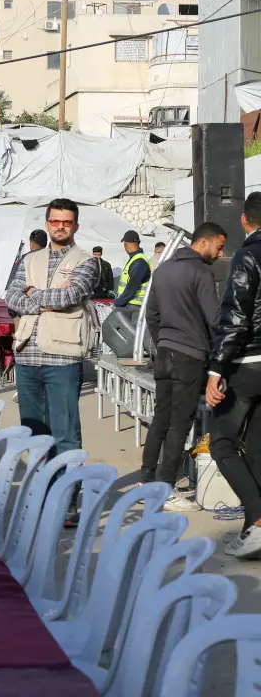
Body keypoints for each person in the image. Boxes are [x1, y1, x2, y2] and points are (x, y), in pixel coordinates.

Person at [6, 198, 98, 526]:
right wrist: (40, 301)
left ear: (75, 226)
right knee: (34, 432)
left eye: (67, 222)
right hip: (27, 354)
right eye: (55, 221)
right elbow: (11, 298)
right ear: (47, 223)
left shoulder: (86, 262)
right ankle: (42, 491)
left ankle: (69, 499)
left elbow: (73, 294)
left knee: (66, 432)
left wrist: (35, 295)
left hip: (63, 355)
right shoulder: (28, 259)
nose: (61, 226)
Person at [143, 222, 226, 512]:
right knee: (180, 423)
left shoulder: (163, 269)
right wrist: (221, 354)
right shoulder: (201, 272)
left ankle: (146, 482)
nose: (220, 252)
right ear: (203, 242)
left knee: (160, 419)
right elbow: (215, 320)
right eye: (219, 246)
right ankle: (166, 490)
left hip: (164, 352)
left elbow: (152, 314)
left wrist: (163, 340)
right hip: (189, 356)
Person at [206, 192, 261, 558]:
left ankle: (257, 522)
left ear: (244, 220)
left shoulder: (248, 255)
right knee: (257, 448)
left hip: (249, 363)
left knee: (221, 442)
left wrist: (216, 368)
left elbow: (236, 317)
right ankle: (254, 531)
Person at [114, 230, 152, 319]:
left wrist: (118, 303)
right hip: (132, 306)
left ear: (126, 244)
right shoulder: (136, 259)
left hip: (133, 307)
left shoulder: (139, 262)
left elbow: (131, 288)